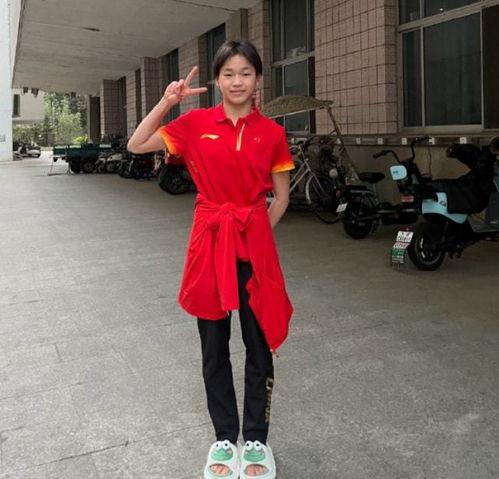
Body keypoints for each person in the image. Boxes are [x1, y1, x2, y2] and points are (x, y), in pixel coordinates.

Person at [128, 40, 294, 479]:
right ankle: (224, 437)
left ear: (258, 79)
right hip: (210, 244)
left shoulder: (271, 133)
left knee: (258, 345)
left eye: (246, 73)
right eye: (228, 74)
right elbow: (136, 144)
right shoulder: (194, 124)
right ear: (218, 80)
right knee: (213, 346)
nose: (237, 82)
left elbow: (281, 198)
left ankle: (255, 440)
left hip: (252, 248)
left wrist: (255, 235)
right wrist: (168, 101)